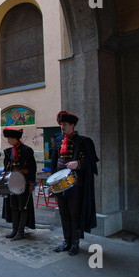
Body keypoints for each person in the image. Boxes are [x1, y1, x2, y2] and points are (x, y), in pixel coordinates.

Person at [50, 110, 99, 256]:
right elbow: (54, 161)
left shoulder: (84, 141)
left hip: (75, 185)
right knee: (64, 213)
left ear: (72, 125)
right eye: (61, 125)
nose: (62, 127)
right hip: (60, 185)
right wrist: (51, 182)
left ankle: (75, 243)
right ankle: (67, 241)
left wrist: (78, 164)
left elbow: (91, 163)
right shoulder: (58, 140)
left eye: (65, 124)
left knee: (74, 214)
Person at [1, 127, 37, 240]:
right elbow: (7, 167)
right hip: (12, 183)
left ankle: (21, 231)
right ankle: (14, 230)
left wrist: (31, 183)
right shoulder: (9, 152)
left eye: (9, 138)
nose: (8, 141)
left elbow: (32, 168)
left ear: (14, 138)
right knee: (13, 206)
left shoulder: (27, 150)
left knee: (23, 206)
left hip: (23, 183)